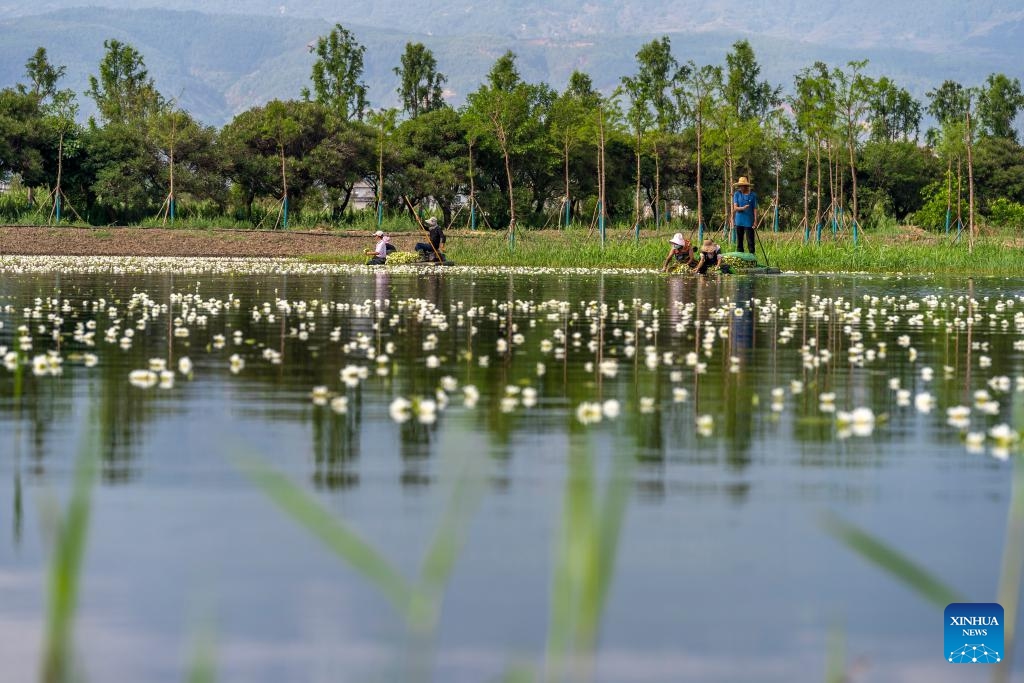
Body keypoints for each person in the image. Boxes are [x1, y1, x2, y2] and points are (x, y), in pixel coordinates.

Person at [732, 176, 758, 255]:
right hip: (739, 221)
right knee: (739, 242)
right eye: (740, 186)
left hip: (749, 221)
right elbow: (735, 208)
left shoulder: (753, 195)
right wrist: (743, 208)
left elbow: (755, 208)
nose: (741, 187)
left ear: (746, 186)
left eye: (742, 186)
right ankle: (740, 259)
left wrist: (755, 221)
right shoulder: (737, 194)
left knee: (750, 241)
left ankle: (752, 259)